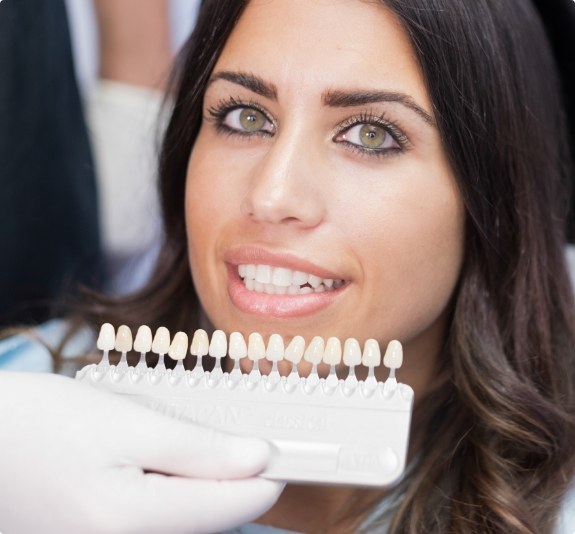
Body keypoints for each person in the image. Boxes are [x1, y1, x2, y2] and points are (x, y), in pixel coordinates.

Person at [1, 0, 575, 532]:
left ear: (495, 197)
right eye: (246, 117)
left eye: (370, 135)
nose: (272, 196)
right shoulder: (26, 406)